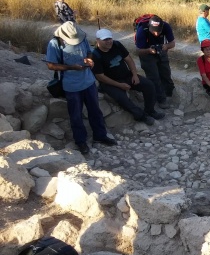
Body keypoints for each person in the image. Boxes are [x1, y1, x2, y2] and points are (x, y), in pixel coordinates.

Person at [45, 22, 117, 155]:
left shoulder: (81, 37)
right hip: (71, 85)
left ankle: (100, 135)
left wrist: (89, 60)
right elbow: (51, 65)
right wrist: (71, 67)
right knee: (76, 115)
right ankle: (80, 141)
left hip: (88, 81)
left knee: (95, 111)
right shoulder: (55, 43)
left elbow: (89, 53)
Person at [92, 28, 164, 126]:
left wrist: (134, 75)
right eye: (105, 39)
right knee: (122, 98)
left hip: (127, 76)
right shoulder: (95, 55)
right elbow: (100, 76)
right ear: (98, 40)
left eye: (109, 38)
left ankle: (150, 110)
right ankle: (141, 116)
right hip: (110, 83)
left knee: (149, 85)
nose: (108, 41)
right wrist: (119, 85)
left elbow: (129, 59)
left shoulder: (117, 45)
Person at [134, 15, 176, 109]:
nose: (156, 34)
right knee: (154, 77)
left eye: (159, 31)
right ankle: (160, 99)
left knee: (166, 73)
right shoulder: (142, 30)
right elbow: (138, 51)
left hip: (161, 49)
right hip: (146, 52)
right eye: (154, 31)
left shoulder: (166, 26)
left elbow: (172, 43)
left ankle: (169, 93)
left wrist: (166, 46)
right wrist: (149, 50)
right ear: (149, 27)